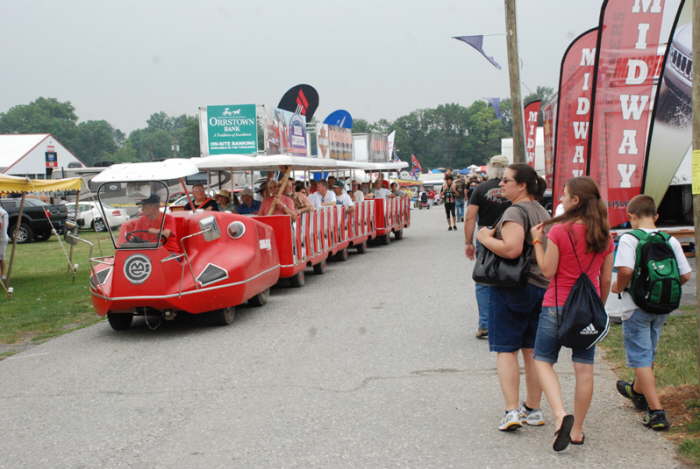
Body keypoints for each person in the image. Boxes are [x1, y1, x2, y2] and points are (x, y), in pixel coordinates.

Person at [530, 176, 614, 451]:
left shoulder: (559, 231)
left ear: (576, 200)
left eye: (565, 196)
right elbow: (605, 280)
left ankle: (559, 414)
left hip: (556, 304)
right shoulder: (603, 234)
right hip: (587, 310)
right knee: (584, 368)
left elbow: (547, 270)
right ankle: (577, 429)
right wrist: (597, 307)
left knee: (542, 360)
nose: (561, 200)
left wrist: (535, 242)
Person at [476, 163, 550, 433]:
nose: (501, 185)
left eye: (506, 181)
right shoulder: (542, 210)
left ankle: (511, 410)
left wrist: (484, 237)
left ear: (522, 186)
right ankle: (533, 407)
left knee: (506, 349)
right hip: (540, 285)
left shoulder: (514, 212)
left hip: (512, 286)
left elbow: (511, 249)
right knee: (532, 350)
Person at [611, 195, 692, 431]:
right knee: (648, 353)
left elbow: (625, 269)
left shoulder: (630, 238)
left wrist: (619, 287)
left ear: (631, 216)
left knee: (640, 356)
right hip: (661, 306)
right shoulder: (670, 239)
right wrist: (665, 291)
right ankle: (636, 391)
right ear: (656, 216)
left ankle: (656, 411)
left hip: (635, 306)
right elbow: (685, 275)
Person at [465, 155, 511, 339]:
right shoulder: (513, 189)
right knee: (511, 277)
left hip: (485, 237)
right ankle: (507, 322)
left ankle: (485, 324)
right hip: (510, 234)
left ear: (490, 168)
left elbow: (470, 217)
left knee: (484, 281)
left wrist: (468, 242)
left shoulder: (480, 189)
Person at [0, 203, 8, 280]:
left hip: (1, 238)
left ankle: (2, 275)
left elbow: (0, 225)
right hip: (3, 237)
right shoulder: (3, 211)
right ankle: (2, 275)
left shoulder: (1, 212)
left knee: (1, 257)